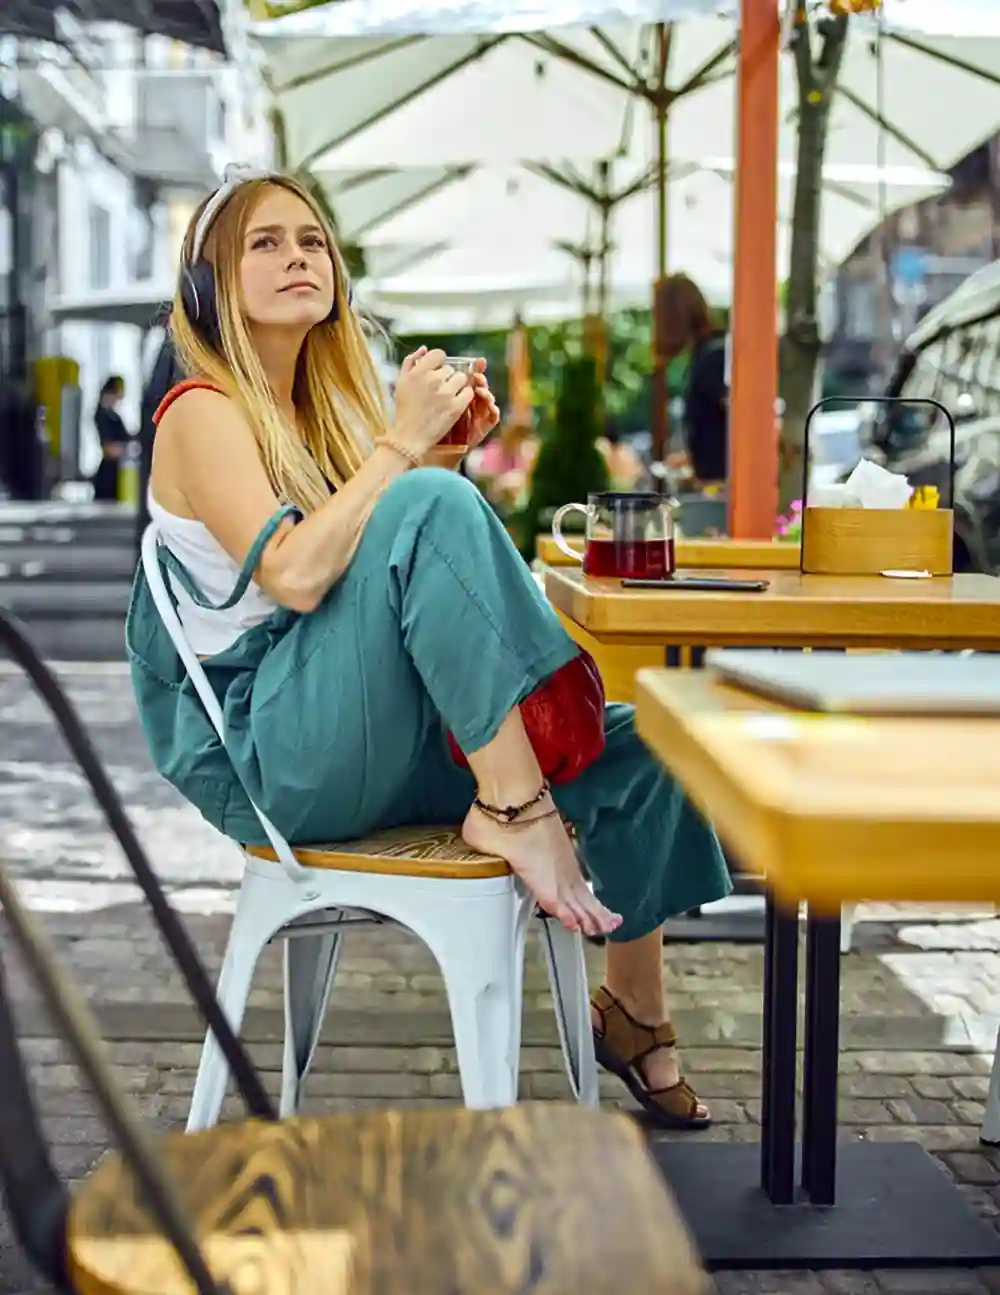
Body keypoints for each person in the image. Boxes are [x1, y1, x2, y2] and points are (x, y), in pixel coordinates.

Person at [126, 166, 731, 1129]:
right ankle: (515, 801)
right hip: (275, 754)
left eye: (312, 240)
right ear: (205, 287)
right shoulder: (201, 410)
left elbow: (393, 579)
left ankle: (637, 1018)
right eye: (265, 242)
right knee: (427, 500)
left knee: (644, 742)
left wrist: (437, 452)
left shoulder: (321, 419)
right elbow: (292, 575)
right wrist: (406, 458)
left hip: (361, 727)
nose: (297, 257)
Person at [656, 275, 728, 487]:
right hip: (714, 483)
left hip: (721, 488)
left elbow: (739, 419)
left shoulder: (712, 358)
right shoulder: (707, 354)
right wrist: (694, 459)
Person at [90, 376, 131, 502]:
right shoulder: (102, 416)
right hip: (108, 474)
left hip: (118, 470)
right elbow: (108, 448)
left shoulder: (115, 416)